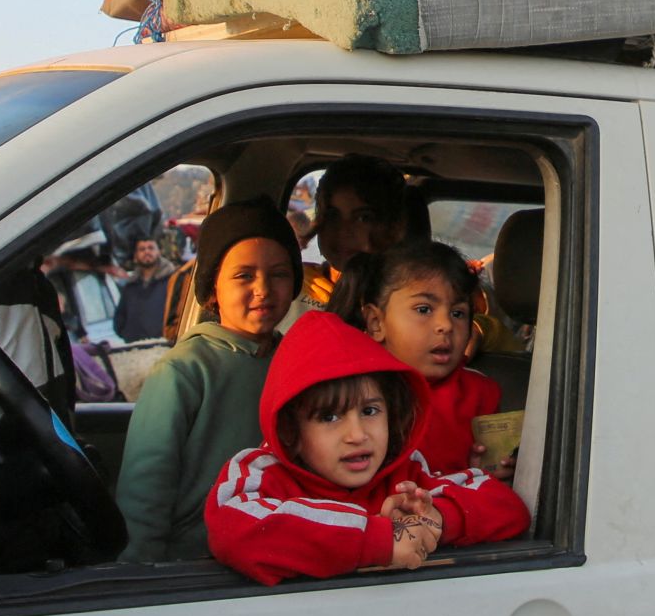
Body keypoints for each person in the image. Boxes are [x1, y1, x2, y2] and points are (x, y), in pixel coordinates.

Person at [205, 311, 530, 585]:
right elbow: (232, 529)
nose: (357, 434)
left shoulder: (405, 472)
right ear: (291, 431)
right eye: (330, 417)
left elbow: (507, 508)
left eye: (370, 411)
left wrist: (435, 519)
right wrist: (380, 539)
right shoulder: (261, 473)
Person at [115, 199, 301, 562]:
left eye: (279, 274)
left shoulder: (298, 363)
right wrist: (139, 573)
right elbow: (146, 488)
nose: (263, 288)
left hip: (276, 555)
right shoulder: (184, 371)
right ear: (213, 288)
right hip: (195, 566)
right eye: (244, 276)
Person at [331, 240, 508, 477]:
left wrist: (479, 475)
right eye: (424, 309)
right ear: (376, 322)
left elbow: (494, 485)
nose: (445, 325)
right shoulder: (347, 390)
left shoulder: (480, 395)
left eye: (458, 314)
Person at [286, 155, 411, 324]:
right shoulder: (293, 288)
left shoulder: (408, 301)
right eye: (332, 215)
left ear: (394, 228)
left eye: (363, 218)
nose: (343, 231)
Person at [113, 235, 177, 343]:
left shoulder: (173, 281)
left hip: (165, 345)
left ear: (159, 252)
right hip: (135, 349)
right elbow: (120, 317)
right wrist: (128, 334)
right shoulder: (130, 286)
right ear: (136, 255)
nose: (147, 252)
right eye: (142, 249)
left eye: (151, 248)